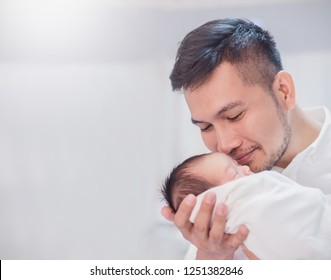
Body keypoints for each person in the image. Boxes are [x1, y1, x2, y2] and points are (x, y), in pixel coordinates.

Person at [161, 18, 331, 260]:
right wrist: (212, 261)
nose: (223, 144)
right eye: (206, 126)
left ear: (284, 91)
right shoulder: (224, 201)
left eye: (234, 115)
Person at [161, 152, 331, 259]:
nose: (246, 170)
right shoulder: (207, 246)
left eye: (235, 116)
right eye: (235, 172)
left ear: (284, 94)